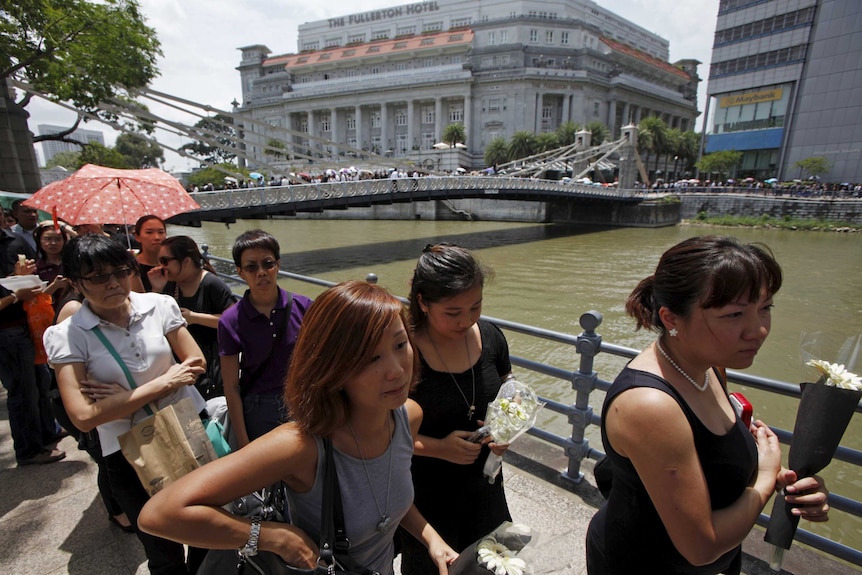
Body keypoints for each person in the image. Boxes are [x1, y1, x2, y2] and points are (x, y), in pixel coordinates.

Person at [139, 281, 458, 575]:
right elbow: (159, 513)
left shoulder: (407, 416)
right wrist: (273, 537)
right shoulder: (302, 445)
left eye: (400, 345)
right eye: (369, 359)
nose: (395, 370)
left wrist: (431, 537)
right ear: (332, 368)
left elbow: (385, 498)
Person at [585, 236, 830, 575]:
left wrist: (789, 484)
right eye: (733, 314)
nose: (758, 329)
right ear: (671, 319)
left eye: (765, 308)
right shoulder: (649, 405)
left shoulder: (709, 366)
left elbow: (713, 466)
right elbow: (701, 546)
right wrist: (763, 481)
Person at [43, 234, 207, 575]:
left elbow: (196, 363)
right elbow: (84, 416)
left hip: (186, 431)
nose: (114, 283)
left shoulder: (159, 306)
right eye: (98, 277)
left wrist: (120, 400)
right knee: (163, 551)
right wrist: (166, 382)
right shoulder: (67, 334)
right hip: (129, 454)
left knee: (209, 533)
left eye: (120, 271)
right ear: (75, 282)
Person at [399, 243, 513, 574]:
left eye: (475, 307)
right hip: (426, 501)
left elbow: (509, 391)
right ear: (422, 302)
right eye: (452, 312)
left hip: (487, 490)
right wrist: (439, 448)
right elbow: (380, 434)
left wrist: (508, 430)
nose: (467, 320)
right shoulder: (403, 352)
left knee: (496, 566)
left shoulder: (491, 337)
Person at [217, 229, 312, 446]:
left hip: (301, 401)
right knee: (269, 478)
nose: (261, 272)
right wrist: (243, 440)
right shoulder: (230, 320)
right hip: (258, 409)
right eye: (251, 267)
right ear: (240, 272)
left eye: (268, 264)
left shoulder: (304, 307)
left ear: (277, 265)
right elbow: (231, 386)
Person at [152, 235, 236, 399]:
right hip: (181, 366)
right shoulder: (170, 284)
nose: (161, 267)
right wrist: (156, 289)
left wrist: (195, 317)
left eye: (165, 261)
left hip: (210, 366)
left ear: (186, 261)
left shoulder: (211, 284)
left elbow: (234, 321)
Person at [0, 279, 66, 465]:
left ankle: (47, 432)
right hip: (7, 337)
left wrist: (16, 277)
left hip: (21, 330)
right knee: (23, 395)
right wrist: (15, 296)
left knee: (39, 385)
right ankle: (28, 450)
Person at [133, 215, 167, 292]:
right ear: (137, 237)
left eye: (161, 232)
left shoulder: (172, 263)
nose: (157, 237)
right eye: (149, 232)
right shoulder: (132, 268)